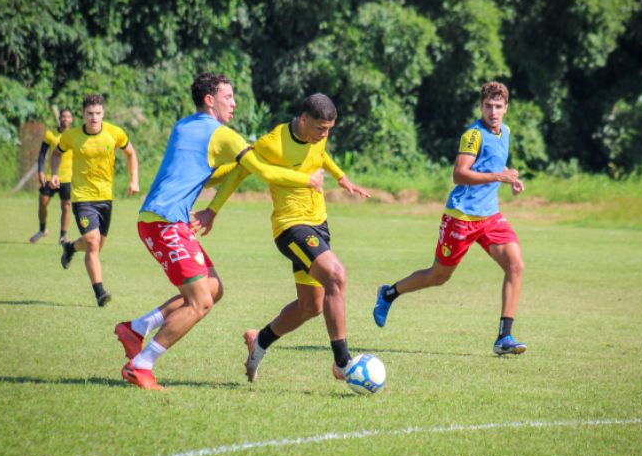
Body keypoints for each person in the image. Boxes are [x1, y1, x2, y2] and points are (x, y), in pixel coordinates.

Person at [114, 73, 323, 390]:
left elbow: (208, 176)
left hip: (162, 219)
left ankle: (137, 327)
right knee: (201, 302)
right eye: (229, 96)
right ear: (210, 100)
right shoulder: (223, 135)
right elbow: (263, 171)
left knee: (213, 288)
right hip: (166, 221)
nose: (234, 103)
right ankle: (141, 365)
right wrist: (307, 180)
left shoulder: (184, 125)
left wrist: (239, 165)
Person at [193, 93, 370, 384]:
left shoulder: (317, 136)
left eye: (329, 130)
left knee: (311, 306)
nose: (324, 135)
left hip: (319, 224)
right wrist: (212, 210)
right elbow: (240, 172)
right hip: (291, 228)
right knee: (336, 276)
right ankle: (343, 362)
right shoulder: (272, 143)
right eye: (320, 129)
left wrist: (341, 177)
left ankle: (259, 340)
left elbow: (320, 154)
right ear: (303, 119)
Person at [372, 81, 528, 356]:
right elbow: (459, 173)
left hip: (490, 216)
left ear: (506, 108)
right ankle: (389, 293)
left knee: (515, 266)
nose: (493, 111)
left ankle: (504, 338)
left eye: (498, 106)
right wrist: (498, 177)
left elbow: (492, 164)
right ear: (481, 106)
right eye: (488, 106)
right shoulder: (473, 134)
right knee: (439, 275)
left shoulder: (505, 132)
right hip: (462, 217)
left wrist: (509, 177)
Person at [50, 94, 140, 307]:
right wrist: (54, 173)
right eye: (89, 114)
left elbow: (130, 154)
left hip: (105, 197)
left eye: (98, 113)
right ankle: (100, 292)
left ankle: (70, 247)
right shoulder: (71, 136)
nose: (93, 118)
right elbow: (56, 154)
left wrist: (134, 179)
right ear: (83, 114)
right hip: (82, 198)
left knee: (97, 246)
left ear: (103, 113)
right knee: (92, 242)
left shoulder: (114, 133)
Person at [29, 108, 74, 244]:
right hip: (50, 175)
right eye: (63, 116)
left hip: (68, 177)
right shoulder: (50, 134)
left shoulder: (74, 135)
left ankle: (63, 236)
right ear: (59, 118)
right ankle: (42, 230)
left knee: (66, 205)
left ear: (71, 120)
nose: (65, 119)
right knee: (42, 202)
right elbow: (42, 154)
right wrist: (41, 171)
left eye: (68, 117)